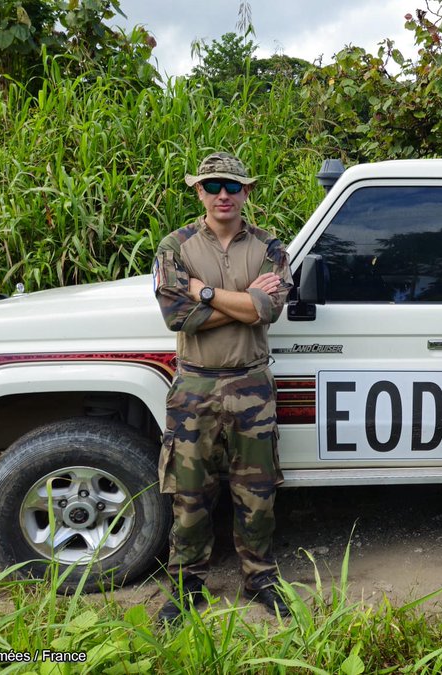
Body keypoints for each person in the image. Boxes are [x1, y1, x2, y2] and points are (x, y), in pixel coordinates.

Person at [152, 152, 292, 622]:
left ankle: (260, 578)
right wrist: (246, 300)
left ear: (246, 191)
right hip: (195, 386)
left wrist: (204, 291)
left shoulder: (270, 246)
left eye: (232, 186)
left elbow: (268, 311)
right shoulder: (176, 246)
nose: (223, 195)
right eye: (212, 186)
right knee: (189, 495)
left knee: (258, 492)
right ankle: (186, 586)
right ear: (199, 192)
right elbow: (178, 316)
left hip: (252, 383)